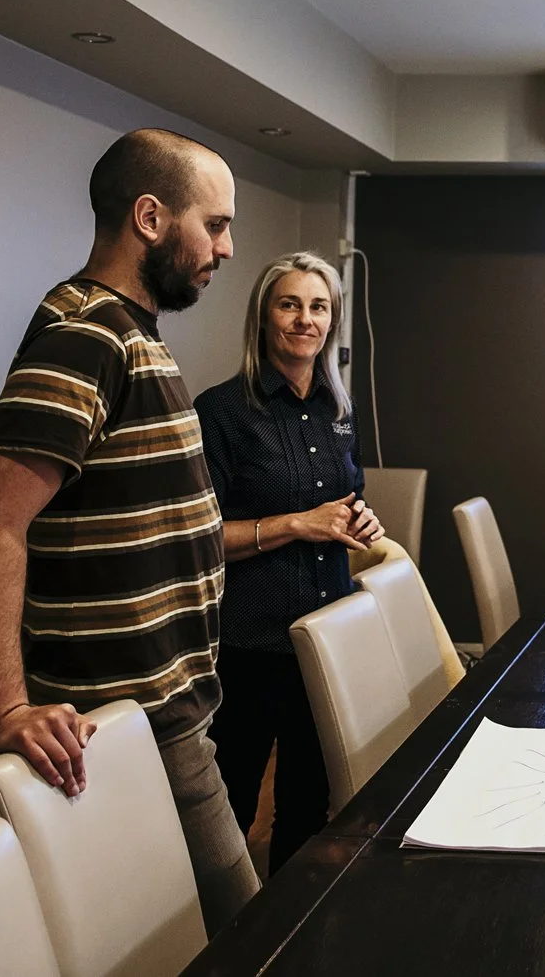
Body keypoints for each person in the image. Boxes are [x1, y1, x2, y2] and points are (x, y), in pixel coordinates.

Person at [0, 127, 259, 933]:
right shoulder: (88, 334)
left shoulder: (126, 331)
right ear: (151, 217)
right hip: (128, 727)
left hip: (164, 715)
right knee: (250, 939)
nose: (226, 247)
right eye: (215, 224)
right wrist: (7, 706)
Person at [196, 252, 385, 873]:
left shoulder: (339, 410)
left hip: (326, 639)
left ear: (331, 322)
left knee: (309, 807)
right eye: (290, 304)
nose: (305, 319)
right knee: (231, 809)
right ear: (263, 316)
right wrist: (297, 524)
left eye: (319, 306)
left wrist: (362, 519)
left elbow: (348, 499)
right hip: (252, 643)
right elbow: (200, 539)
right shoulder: (222, 412)